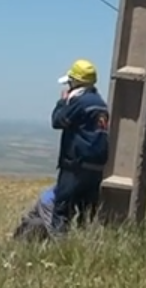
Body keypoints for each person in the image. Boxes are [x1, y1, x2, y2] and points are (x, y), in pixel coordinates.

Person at [50, 59, 109, 234]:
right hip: (96, 167)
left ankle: (59, 249)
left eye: (70, 82)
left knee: (62, 209)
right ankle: (86, 244)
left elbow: (57, 121)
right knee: (87, 211)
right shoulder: (100, 103)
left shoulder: (79, 102)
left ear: (75, 81)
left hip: (75, 165)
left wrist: (62, 102)